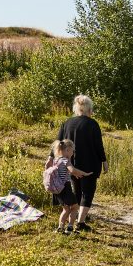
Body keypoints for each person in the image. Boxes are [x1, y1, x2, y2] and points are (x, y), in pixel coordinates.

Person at [57, 94, 107, 232]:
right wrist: (104, 161)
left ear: (76, 109)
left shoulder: (67, 123)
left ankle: (72, 221)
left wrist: (51, 159)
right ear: (89, 109)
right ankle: (81, 222)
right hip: (90, 165)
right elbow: (98, 146)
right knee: (88, 192)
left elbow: (58, 143)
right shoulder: (92, 124)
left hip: (71, 164)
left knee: (77, 191)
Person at [49, 139, 89, 234]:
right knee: (75, 207)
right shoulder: (65, 160)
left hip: (58, 188)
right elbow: (72, 170)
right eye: (72, 150)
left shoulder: (56, 160)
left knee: (66, 209)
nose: (73, 152)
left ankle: (60, 227)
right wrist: (84, 173)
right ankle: (70, 227)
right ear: (67, 150)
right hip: (65, 188)